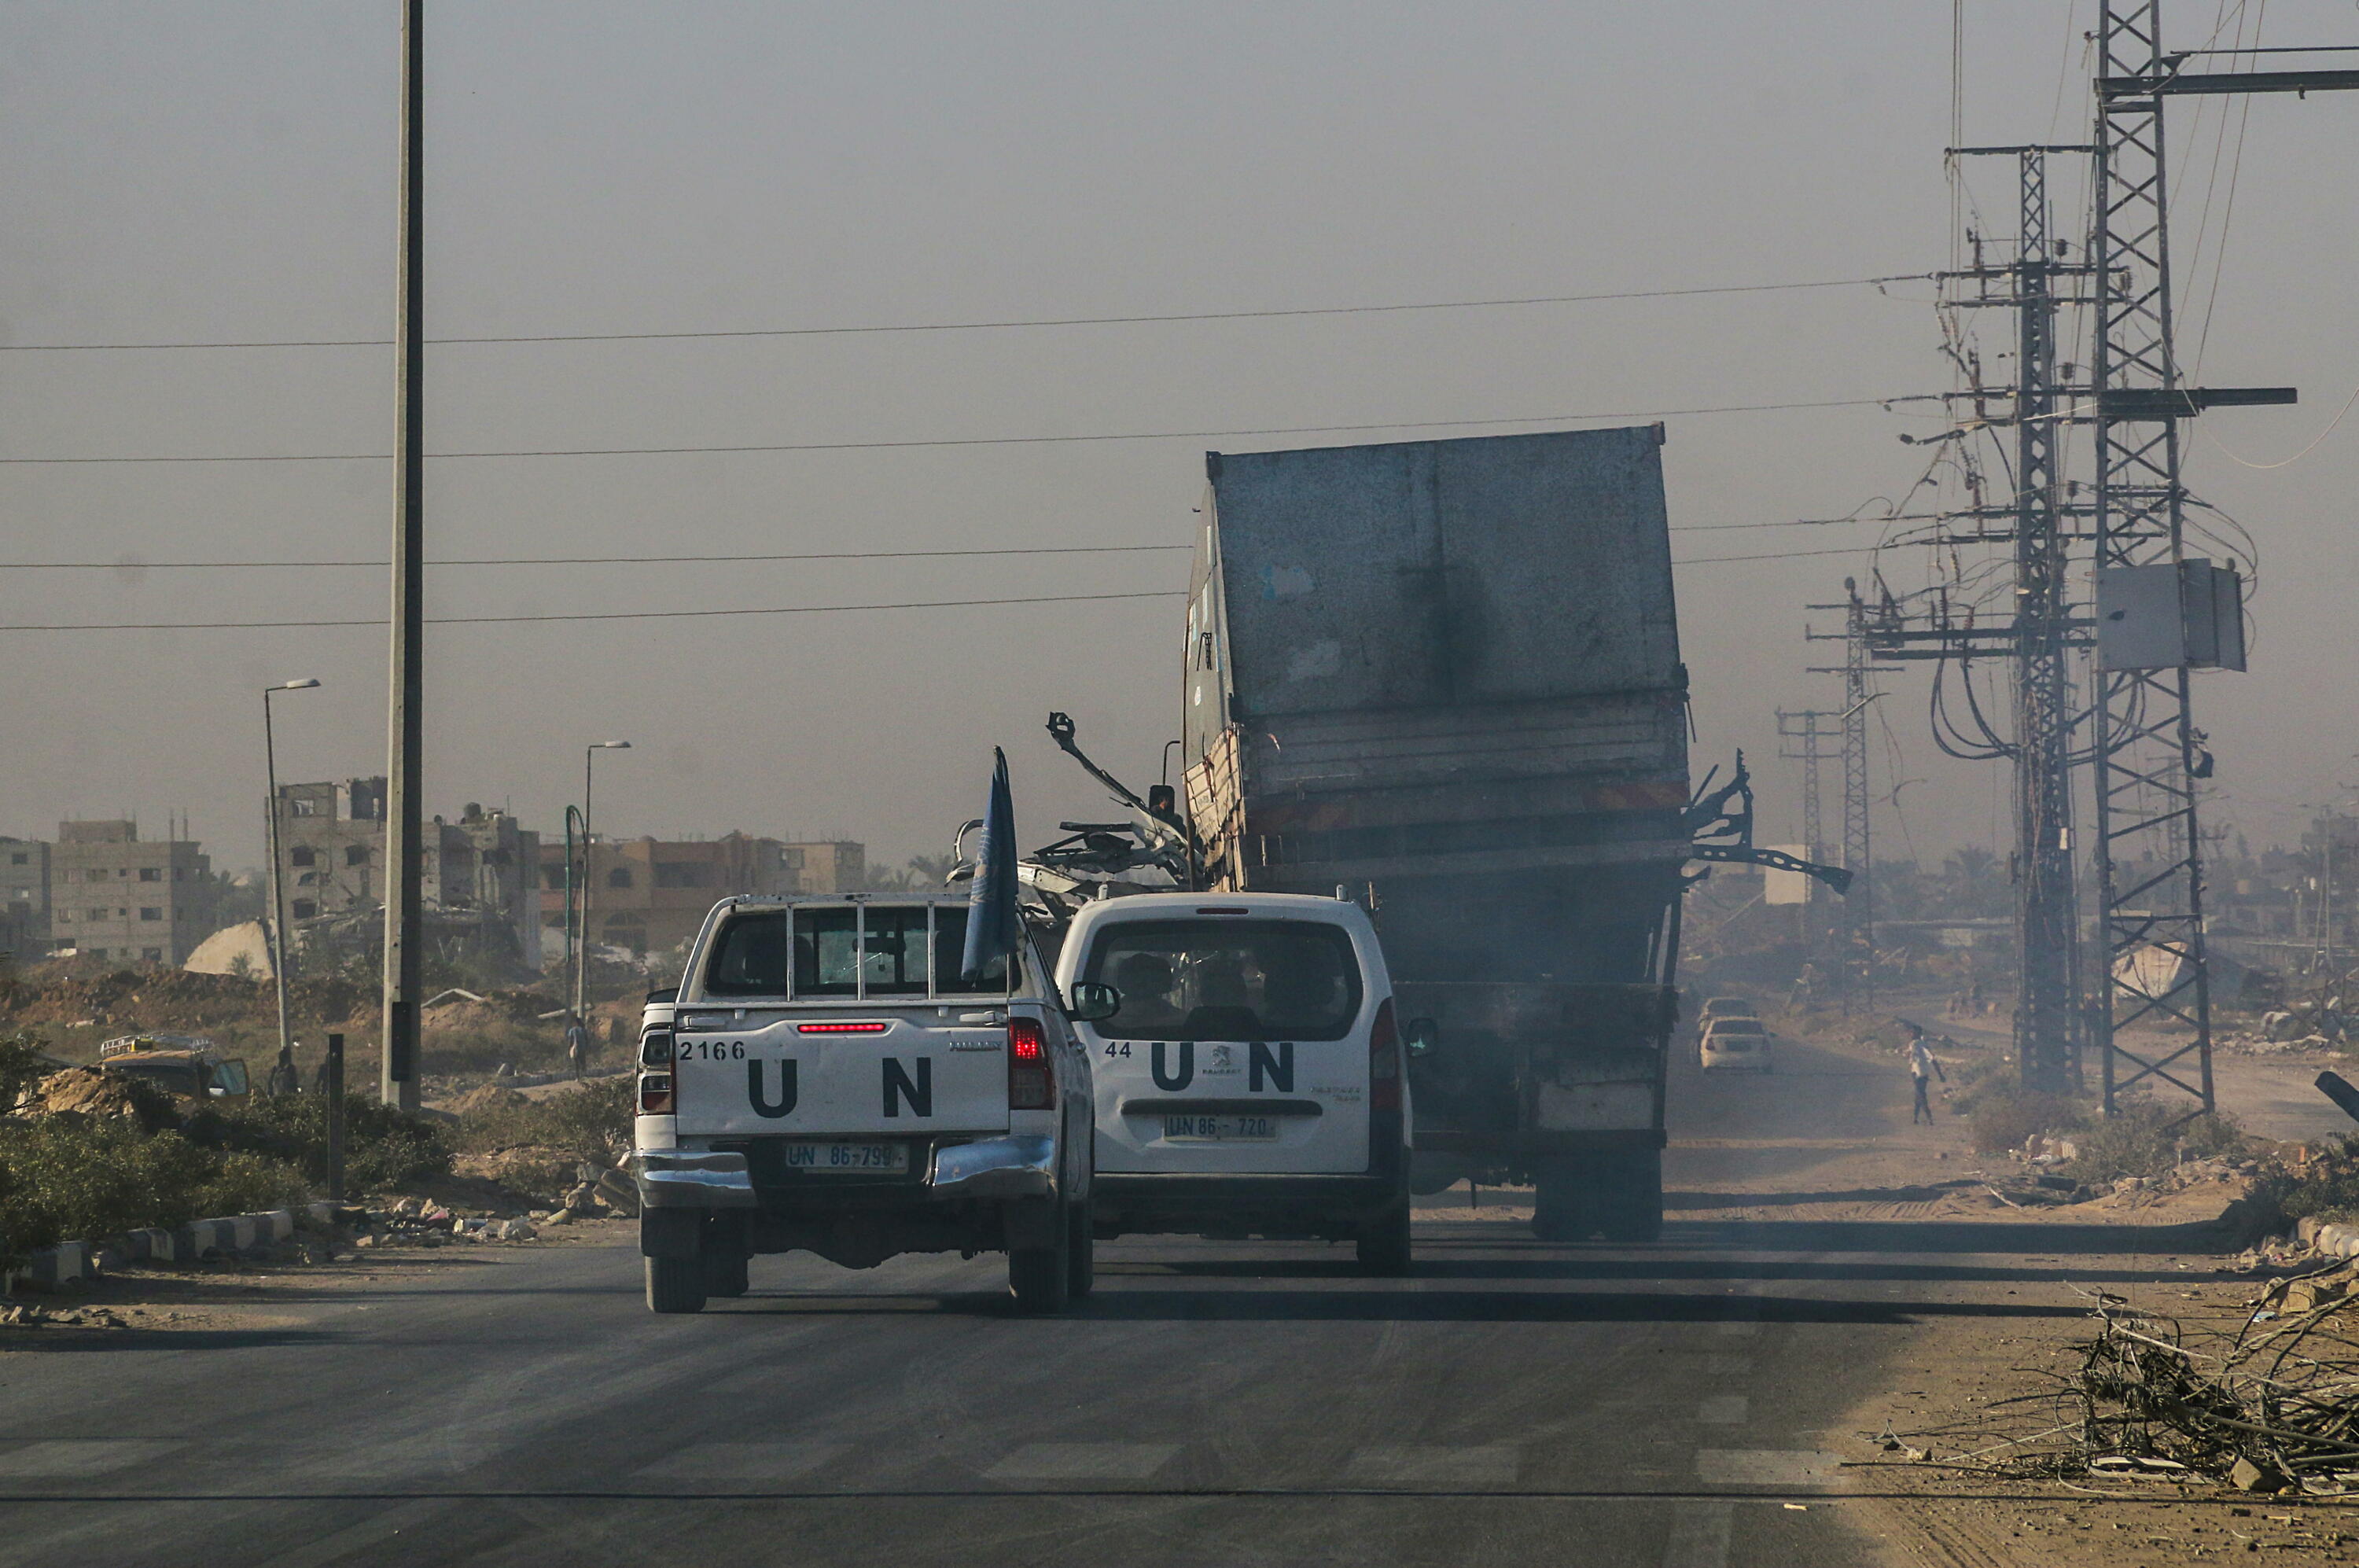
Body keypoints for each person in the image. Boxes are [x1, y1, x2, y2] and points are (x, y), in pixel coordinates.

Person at [1907, 1025, 1946, 1124]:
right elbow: (1932, 1059)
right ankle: (1915, 1118)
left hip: (1916, 1073)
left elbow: (1911, 1058)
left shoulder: (1914, 1044)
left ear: (1917, 1034)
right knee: (1919, 1094)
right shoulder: (1924, 1045)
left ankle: (1929, 1117)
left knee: (1921, 1095)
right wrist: (1940, 1074)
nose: (1910, 1034)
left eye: (1913, 1033)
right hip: (1924, 1074)